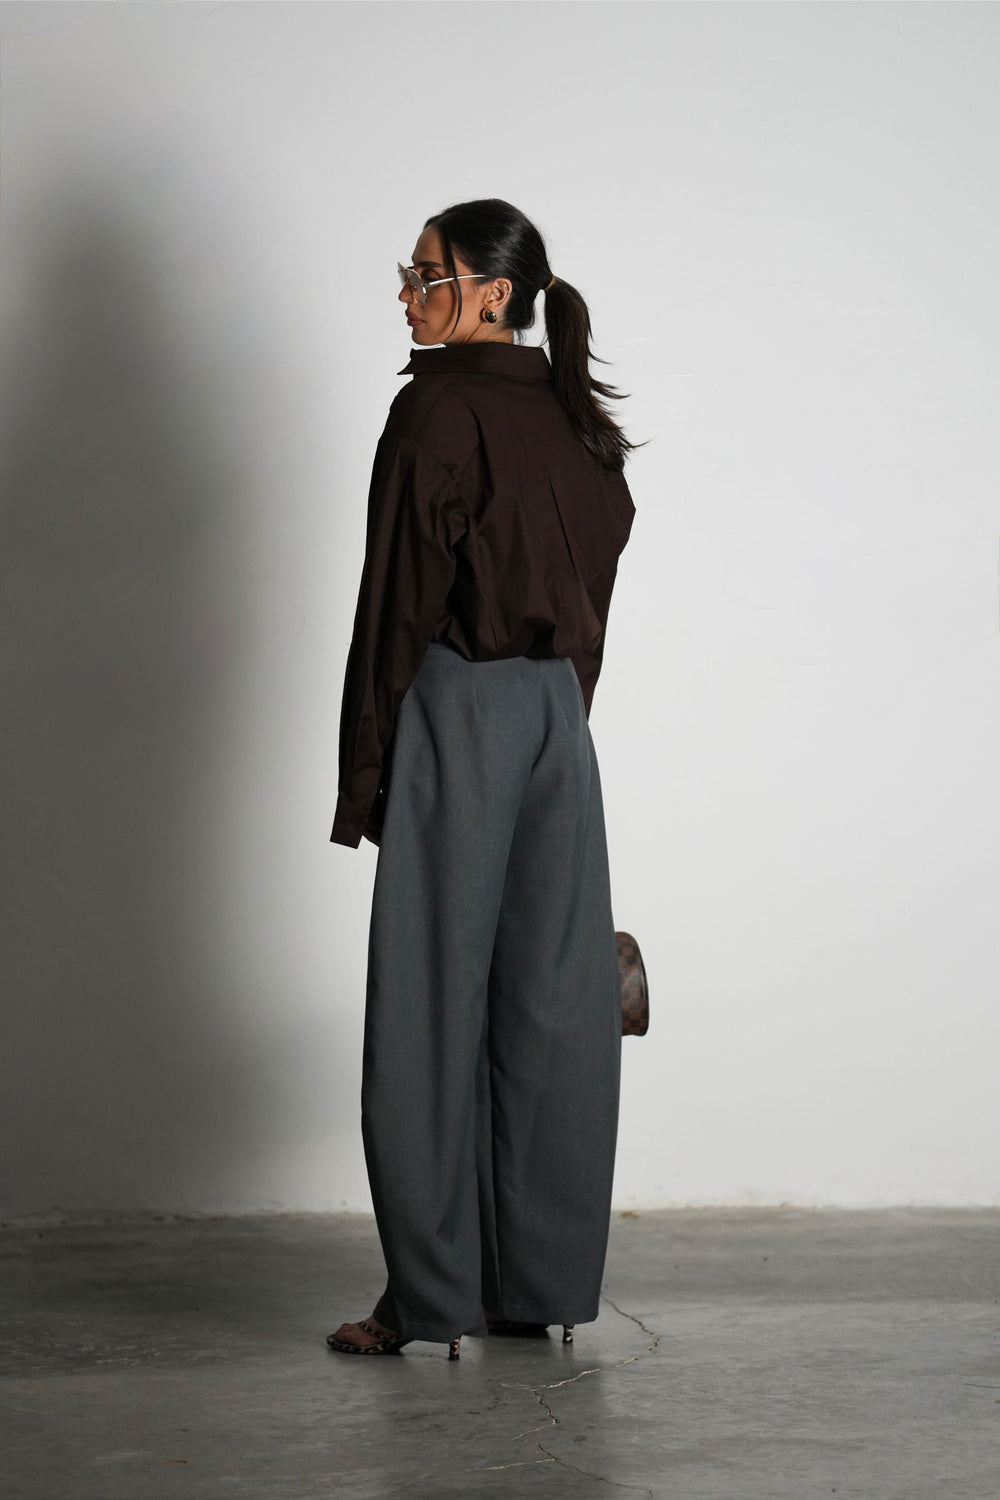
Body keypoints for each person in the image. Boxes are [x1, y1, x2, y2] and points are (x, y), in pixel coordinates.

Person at [326, 198, 643, 1360]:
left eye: (425, 275)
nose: (406, 294)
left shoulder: (435, 410)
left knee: (428, 1004)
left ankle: (428, 1299)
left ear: (491, 294)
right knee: (555, 1001)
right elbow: (593, 597)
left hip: (457, 705)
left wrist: (369, 774)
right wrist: (559, 718)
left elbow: (395, 607)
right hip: (557, 715)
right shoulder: (573, 416)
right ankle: (537, 1286)